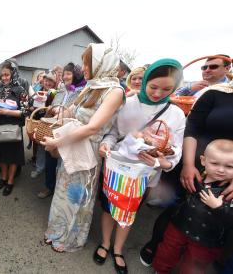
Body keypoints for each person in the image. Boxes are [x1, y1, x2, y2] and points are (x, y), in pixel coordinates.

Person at [96, 59, 185, 274]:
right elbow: (112, 133)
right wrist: (106, 145)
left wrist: (162, 162)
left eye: (166, 89)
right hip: (117, 167)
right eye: (153, 87)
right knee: (109, 208)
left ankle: (118, 249)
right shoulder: (127, 103)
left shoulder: (176, 114)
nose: (157, 93)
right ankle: (105, 243)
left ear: (174, 88)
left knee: (128, 211)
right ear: (144, 81)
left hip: (144, 174)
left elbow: (176, 149)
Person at [139, 79, 233, 267]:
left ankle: (198, 258)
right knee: (176, 210)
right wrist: (189, 164)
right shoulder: (216, 93)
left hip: (229, 173)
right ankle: (157, 248)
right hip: (194, 164)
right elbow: (193, 127)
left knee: (217, 215)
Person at [40, 43, 124, 253]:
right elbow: (71, 110)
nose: (83, 67)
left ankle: (70, 239)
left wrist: (57, 142)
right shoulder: (91, 86)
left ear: (101, 64)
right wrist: (55, 113)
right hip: (72, 145)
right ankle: (56, 231)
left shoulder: (115, 91)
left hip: (88, 148)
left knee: (78, 197)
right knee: (62, 191)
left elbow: (93, 127)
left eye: (87, 62)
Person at [153, 139, 233, 274]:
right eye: (214, 163)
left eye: (229, 167)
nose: (220, 170)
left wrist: (219, 207)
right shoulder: (195, 175)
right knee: (167, 252)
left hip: (207, 239)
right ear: (203, 160)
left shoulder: (230, 192)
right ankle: (160, 270)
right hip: (179, 226)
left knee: (195, 265)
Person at [37, 62, 86, 199]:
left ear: (76, 75)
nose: (65, 77)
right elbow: (52, 107)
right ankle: (49, 187)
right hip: (54, 129)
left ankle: (61, 190)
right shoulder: (61, 90)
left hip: (69, 132)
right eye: (64, 74)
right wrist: (53, 109)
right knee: (50, 160)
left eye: (68, 73)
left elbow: (79, 113)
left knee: (65, 162)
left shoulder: (82, 92)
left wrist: (64, 112)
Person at [0, 60, 27, 196]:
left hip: (14, 126)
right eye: (2, 76)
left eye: (7, 74)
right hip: (0, 125)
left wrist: (8, 112)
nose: (5, 78)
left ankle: (10, 181)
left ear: (13, 74)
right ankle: (3, 178)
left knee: (13, 156)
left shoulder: (21, 90)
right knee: (2, 155)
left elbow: (26, 111)